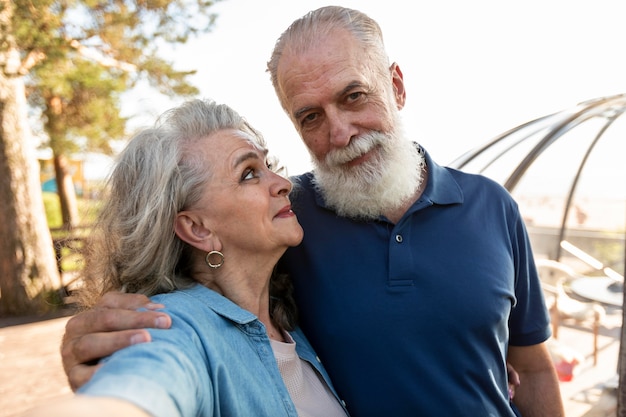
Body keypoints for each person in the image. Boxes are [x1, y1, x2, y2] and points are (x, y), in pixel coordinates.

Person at [60, 6, 564, 417]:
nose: (341, 133)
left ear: (397, 86)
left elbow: (534, 369)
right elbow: (187, 316)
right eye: (311, 116)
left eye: (354, 96)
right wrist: (97, 341)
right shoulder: (287, 219)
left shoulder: (493, 206)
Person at [24, 99, 349, 417]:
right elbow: (140, 386)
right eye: (249, 174)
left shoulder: (288, 320)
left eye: (268, 166)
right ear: (197, 228)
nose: (282, 184)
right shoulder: (172, 326)